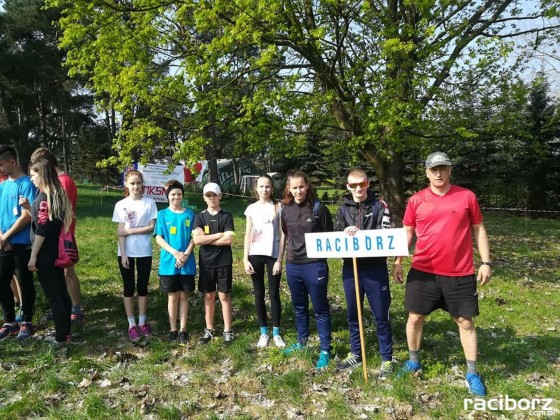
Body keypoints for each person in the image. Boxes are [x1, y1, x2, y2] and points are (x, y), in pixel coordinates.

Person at [392, 152, 492, 397]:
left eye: (443, 168)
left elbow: (478, 229)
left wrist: (486, 262)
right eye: (433, 169)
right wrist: (398, 260)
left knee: (465, 322)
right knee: (415, 318)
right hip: (423, 272)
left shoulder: (466, 197)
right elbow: (407, 232)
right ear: (426, 172)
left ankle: (472, 373)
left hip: (460, 273)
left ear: (449, 170)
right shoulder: (416, 200)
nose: (438, 173)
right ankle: (413, 361)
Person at [334, 168, 394, 378]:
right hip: (351, 268)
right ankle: (356, 353)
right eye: (353, 185)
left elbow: (386, 233)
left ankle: (387, 359)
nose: (358, 188)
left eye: (362, 184)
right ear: (348, 186)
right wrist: (343, 233)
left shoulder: (380, 206)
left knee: (381, 315)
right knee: (353, 313)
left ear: (368, 184)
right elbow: (335, 233)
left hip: (375, 269)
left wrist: (362, 235)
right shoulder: (343, 209)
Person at [280, 170, 333, 369]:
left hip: (315, 266)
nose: (298, 191)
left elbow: (329, 236)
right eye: (294, 187)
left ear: (307, 186)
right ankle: (302, 342)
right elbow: (287, 233)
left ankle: (325, 348)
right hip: (293, 265)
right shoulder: (284, 209)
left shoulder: (318, 208)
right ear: (289, 189)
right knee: (299, 307)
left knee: (320, 308)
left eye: (301, 186)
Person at [29, 147, 84, 322]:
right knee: (62, 275)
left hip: (62, 236)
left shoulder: (64, 181)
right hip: (54, 236)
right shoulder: (55, 181)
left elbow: (59, 213)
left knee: (67, 272)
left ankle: (75, 307)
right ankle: (64, 309)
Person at [26, 159, 74, 346]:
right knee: (61, 292)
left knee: (54, 296)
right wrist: (31, 210)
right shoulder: (57, 196)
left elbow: (43, 230)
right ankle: (66, 332)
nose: (31, 179)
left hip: (46, 254)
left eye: (33, 175)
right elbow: (45, 222)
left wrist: (33, 255)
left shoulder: (44, 198)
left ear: (43, 175)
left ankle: (61, 338)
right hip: (56, 251)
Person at [112, 169, 158, 343]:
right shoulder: (120, 204)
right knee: (129, 287)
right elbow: (120, 231)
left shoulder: (150, 203)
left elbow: (151, 227)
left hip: (144, 251)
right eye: (132, 183)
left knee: (143, 287)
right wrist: (123, 254)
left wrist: (131, 230)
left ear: (142, 184)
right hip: (126, 252)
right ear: (126, 185)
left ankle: (142, 321)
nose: (136, 186)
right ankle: (131, 324)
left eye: (138, 183)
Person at [243, 174, 286, 348]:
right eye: (261, 186)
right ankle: (263, 332)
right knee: (259, 293)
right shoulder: (251, 208)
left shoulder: (279, 207)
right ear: (256, 188)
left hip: (273, 256)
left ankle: (276, 332)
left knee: (274, 293)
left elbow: (283, 234)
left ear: (272, 188)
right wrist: (245, 258)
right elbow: (247, 234)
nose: (264, 190)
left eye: (267, 186)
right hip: (255, 255)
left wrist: (279, 259)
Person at [0, 146, 37, 340]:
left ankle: (27, 320)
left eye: (2, 164)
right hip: (4, 245)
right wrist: (1, 237)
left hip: (22, 244)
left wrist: (7, 237)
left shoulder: (26, 184)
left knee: (24, 282)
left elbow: (27, 216)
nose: (0, 168)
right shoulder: (3, 185)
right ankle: (10, 322)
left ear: (12, 162)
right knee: (2, 281)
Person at [192, 182, 235, 345]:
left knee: (224, 295)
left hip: (224, 261)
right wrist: (219, 235)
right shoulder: (199, 217)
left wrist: (207, 239)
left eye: (214, 195)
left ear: (220, 196)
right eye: (208, 195)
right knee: (209, 295)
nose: (212, 198)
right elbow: (197, 240)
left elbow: (229, 239)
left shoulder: (227, 216)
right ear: (204, 197)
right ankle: (209, 329)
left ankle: (228, 330)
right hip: (206, 262)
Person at [154, 180, 196, 344]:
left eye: (179, 194)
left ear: (182, 196)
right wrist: (175, 253)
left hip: (187, 263)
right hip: (169, 263)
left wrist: (185, 254)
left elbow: (194, 237)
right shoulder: (163, 214)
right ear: (167, 197)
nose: (176, 197)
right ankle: (172, 329)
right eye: (172, 194)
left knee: (184, 296)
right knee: (172, 297)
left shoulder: (190, 214)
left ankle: (183, 329)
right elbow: (159, 238)